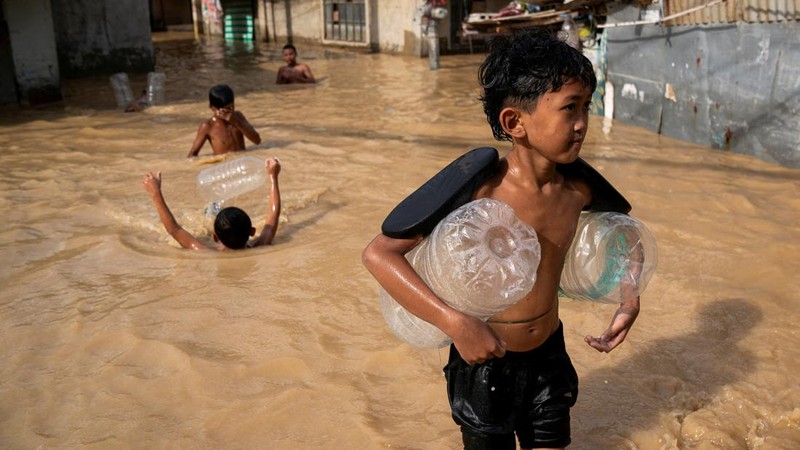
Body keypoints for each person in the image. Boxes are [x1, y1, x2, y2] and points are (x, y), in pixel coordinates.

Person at [362, 29, 640, 449]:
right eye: (570, 108)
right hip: (483, 363)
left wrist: (629, 296)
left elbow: (626, 234)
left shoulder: (578, 189)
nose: (583, 123)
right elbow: (380, 253)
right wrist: (455, 324)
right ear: (515, 122)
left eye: (586, 106)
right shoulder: (480, 188)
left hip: (549, 356)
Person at [143, 157, 281, 250]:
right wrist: (273, 177)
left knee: (210, 210)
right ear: (252, 231)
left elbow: (174, 229)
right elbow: (273, 215)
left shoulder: (205, 252)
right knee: (212, 208)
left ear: (215, 237)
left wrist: (155, 193)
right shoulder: (261, 245)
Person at [187, 84, 261, 158]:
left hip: (241, 162)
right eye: (226, 109)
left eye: (232, 107)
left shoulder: (238, 117)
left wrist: (237, 122)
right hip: (224, 165)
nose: (230, 111)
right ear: (213, 108)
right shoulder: (208, 126)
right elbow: (192, 154)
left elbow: (257, 141)